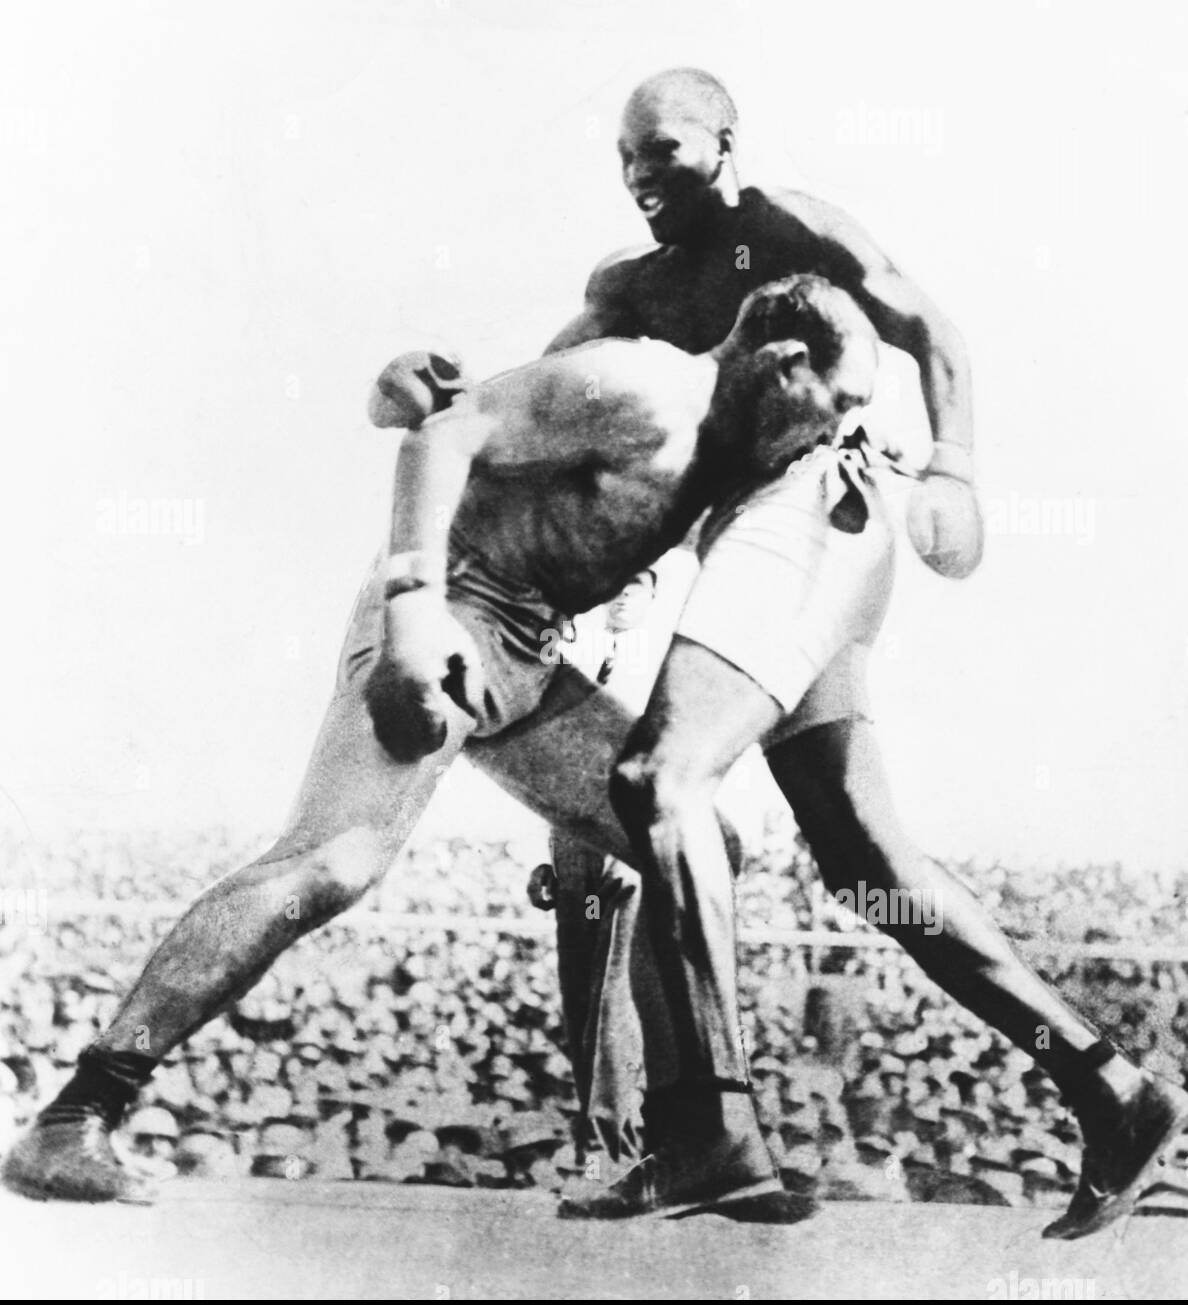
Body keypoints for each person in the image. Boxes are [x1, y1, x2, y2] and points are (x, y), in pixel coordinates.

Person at [2, 273, 871, 1215]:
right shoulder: (646, 389)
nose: (832, 432)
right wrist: (412, 611)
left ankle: (690, 1144)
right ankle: (74, 1117)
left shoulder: (730, 446)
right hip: (450, 613)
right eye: (839, 404)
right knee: (334, 861)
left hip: (526, 652)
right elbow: (442, 432)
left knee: (688, 845)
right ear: (786, 367)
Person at [552, 68, 1188, 1238]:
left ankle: (709, 1126)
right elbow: (546, 394)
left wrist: (956, 469)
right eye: (625, 158)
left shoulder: (788, 226)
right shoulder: (631, 286)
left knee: (659, 781)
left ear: (726, 143)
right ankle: (1111, 1088)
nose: (641, 174)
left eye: (665, 149)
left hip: (816, 515)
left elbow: (932, 326)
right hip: (757, 548)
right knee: (863, 863)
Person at [528, 569, 660, 1162]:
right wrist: (549, 859)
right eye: (620, 582)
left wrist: (640, 849)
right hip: (575, 850)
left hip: (627, 845)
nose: (625, 592)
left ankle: (616, 1145)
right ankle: (592, 1140)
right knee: (580, 994)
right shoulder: (584, 665)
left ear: (654, 596)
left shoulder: (659, 667)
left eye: (641, 585)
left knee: (614, 1001)